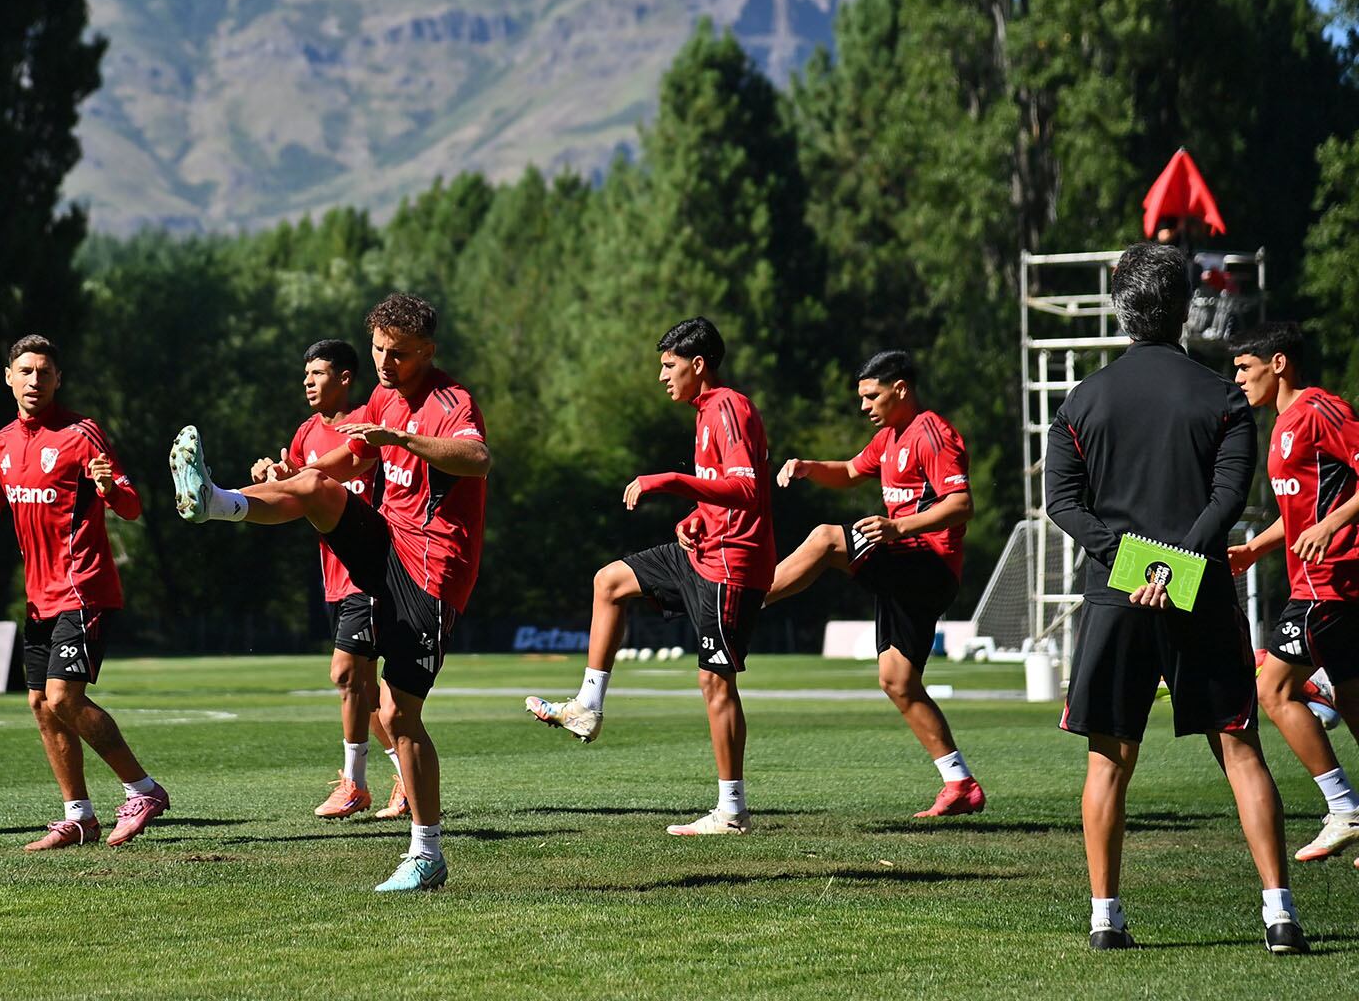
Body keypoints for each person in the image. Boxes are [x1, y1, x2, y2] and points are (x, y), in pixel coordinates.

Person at [169, 293, 488, 892]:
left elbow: (476, 458)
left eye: (398, 354)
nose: (385, 364)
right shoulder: (386, 396)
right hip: (386, 543)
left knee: (398, 712)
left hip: (432, 572)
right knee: (314, 485)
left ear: (428, 351)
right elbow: (341, 464)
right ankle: (215, 501)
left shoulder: (451, 401)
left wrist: (402, 438)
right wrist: (285, 478)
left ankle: (427, 854)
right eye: (377, 350)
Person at [1045, 242, 1306, 954]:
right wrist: (1178, 565)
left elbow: (1062, 504)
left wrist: (1134, 566)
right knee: (1241, 749)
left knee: (1108, 760)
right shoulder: (1224, 397)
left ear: (1118, 306)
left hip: (1115, 593)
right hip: (1202, 593)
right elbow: (1229, 498)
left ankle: (1106, 920)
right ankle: (1279, 914)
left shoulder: (1079, 401)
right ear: (1185, 307)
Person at [0, 334, 167, 851]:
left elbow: (133, 506)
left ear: (58, 380)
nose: (34, 380)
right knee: (40, 703)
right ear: (8, 377)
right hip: (39, 599)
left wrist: (110, 488)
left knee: (63, 696)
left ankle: (142, 790)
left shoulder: (82, 434)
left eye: (44, 373)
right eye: (25, 371)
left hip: (83, 587)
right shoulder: (1, 443)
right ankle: (80, 817)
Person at [524, 317, 775, 836]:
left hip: (732, 564)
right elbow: (720, 490)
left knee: (715, 682)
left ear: (697, 365)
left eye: (669, 365)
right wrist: (696, 517)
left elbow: (749, 491)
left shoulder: (727, 406)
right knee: (609, 582)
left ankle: (732, 812)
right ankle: (588, 707)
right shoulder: (707, 412)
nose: (662, 376)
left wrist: (667, 481)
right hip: (704, 549)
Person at [766, 350, 985, 817]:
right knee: (897, 680)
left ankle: (742, 599)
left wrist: (899, 527)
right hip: (906, 564)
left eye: (872, 395)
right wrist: (807, 467)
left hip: (927, 562)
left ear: (900, 389)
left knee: (827, 539)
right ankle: (960, 783)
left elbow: (962, 504)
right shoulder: (889, 437)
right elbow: (848, 471)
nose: (864, 406)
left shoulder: (933, 433)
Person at [252, 339, 408, 821]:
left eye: (318, 373)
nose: (308, 382)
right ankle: (405, 776)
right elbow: (299, 495)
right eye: (305, 375)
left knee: (345, 675)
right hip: (334, 579)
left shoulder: (369, 426)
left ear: (345, 377)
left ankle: (354, 783)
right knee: (361, 686)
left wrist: (293, 479)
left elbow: (362, 472)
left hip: (373, 571)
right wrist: (274, 476)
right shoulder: (304, 434)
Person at [1227, 323, 1359, 865]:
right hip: (1319, 582)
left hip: (1329, 581)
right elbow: (1298, 514)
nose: (1237, 379)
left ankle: (1344, 808)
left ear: (1277, 363)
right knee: (1352, 700)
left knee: (1273, 691)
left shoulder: (1321, 409)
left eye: (1244, 367)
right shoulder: (1282, 424)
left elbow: (1327, 511)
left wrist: (1332, 526)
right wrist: (1254, 549)